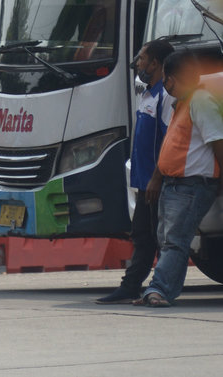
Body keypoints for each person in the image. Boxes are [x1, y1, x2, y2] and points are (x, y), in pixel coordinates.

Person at [133, 51, 223, 307]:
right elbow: (173, 145)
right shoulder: (182, 102)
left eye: (166, 78)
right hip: (176, 185)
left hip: (191, 186)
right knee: (166, 239)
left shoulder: (201, 101)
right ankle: (160, 289)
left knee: (174, 241)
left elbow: (217, 142)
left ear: (172, 78)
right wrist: (157, 178)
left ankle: (158, 290)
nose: (165, 83)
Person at [96, 40, 175, 304]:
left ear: (155, 64)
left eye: (142, 59)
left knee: (161, 239)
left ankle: (159, 287)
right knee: (142, 236)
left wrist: (157, 178)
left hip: (157, 183)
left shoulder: (165, 96)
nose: (138, 63)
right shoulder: (147, 94)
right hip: (143, 183)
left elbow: (169, 141)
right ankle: (131, 286)